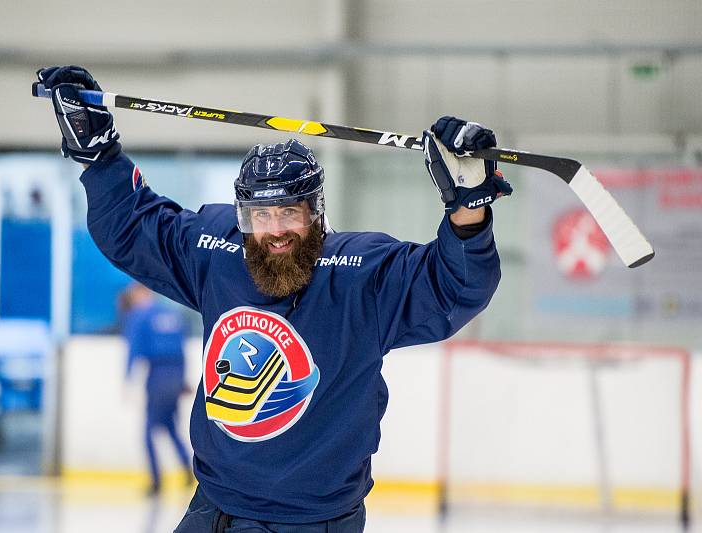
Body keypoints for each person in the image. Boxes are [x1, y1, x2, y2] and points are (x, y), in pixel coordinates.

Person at [36, 65, 512, 532]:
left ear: (316, 213)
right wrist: (98, 157)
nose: (276, 230)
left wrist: (467, 208)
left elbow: (453, 288)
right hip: (214, 505)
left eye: (290, 212)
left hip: (313, 521)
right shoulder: (218, 251)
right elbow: (133, 228)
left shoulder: (361, 275)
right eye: (261, 216)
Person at [120, 282, 193, 495]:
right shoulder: (171, 314)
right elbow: (181, 348)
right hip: (175, 374)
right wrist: (182, 380)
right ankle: (186, 468)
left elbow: (133, 350)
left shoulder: (139, 316)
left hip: (157, 376)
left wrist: (127, 378)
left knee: (149, 430)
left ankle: (156, 480)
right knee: (169, 425)